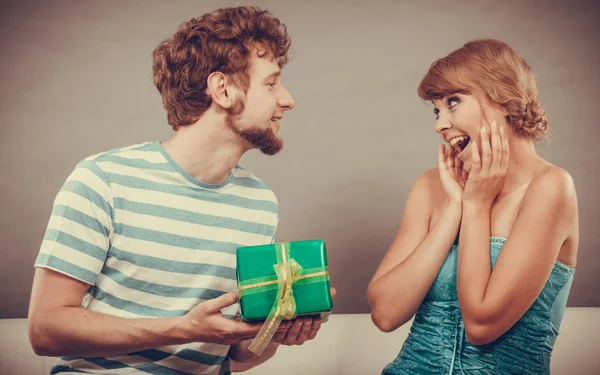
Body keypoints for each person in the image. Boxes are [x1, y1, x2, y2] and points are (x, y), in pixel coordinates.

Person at [28, 6, 331, 374]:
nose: (287, 99)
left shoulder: (259, 202)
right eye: (271, 83)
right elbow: (45, 330)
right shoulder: (103, 179)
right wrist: (180, 328)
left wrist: (275, 331)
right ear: (223, 89)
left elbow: (238, 356)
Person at [368, 39, 578, 374]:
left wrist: (477, 206)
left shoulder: (551, 188)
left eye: (454, 102)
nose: (440, 124)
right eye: (437, 110)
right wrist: (455, 208)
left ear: (503, 98)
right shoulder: (432, 186)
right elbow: (385, 312)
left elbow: (481, 325)